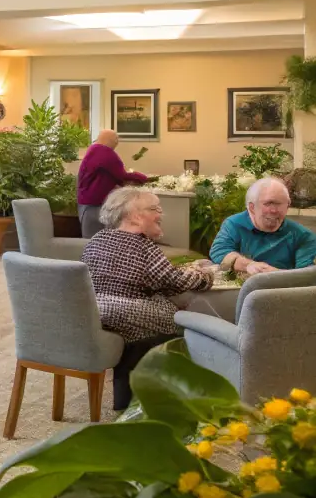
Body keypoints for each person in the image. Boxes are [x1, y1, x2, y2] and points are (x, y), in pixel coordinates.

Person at [82, 187, 215, 409]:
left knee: (141, 331)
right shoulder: (142, 246)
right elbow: (175, 282)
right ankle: (177, 395)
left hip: (95, 310)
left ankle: (127, 398)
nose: (161, 214)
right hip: (127, 311)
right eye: (155, 209)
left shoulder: (97, 239)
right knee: (185, 321)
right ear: (135, 216)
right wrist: (206, 276)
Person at [210, 177, 316, 273]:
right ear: (252, 207)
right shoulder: (234, 224)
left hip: (282, 291)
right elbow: (219, 251)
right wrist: (248, 265)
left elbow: (305, 276)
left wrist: (271, 275)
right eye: (268, 203)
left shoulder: (303, 236)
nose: (274, 211)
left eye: (280, 204)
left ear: (288, 206)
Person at [76, 129, 148, 239]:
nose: (117, 143)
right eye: (116, 140)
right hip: (95, 205)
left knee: (89, 238)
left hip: (85, 202)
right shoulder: (106, 153)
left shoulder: (93, 150)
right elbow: (122, 176)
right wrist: (143, 177)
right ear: (110, 140)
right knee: (96, 239)